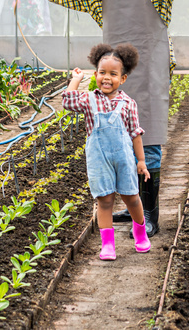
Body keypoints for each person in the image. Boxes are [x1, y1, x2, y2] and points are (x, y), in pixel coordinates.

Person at [2, 0, 189, 237]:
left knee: (148, 139)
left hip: (150, 66)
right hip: (114, 71)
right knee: (117, 138)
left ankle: (150, 216)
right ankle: (134, 207)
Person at [62, 43, 151, 260]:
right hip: (99, 159)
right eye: (102, 73)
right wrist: (76, 79)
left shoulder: (128, 103)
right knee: (105, 200)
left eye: (113, 74)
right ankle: (108, 244)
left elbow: (135, 134)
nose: (107, 78)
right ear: (95, 75)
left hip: (124, 158)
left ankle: (141, 233)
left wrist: (141, 161)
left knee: (132, 197)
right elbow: (67, 101)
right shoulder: (88, 99)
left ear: (123, 78)